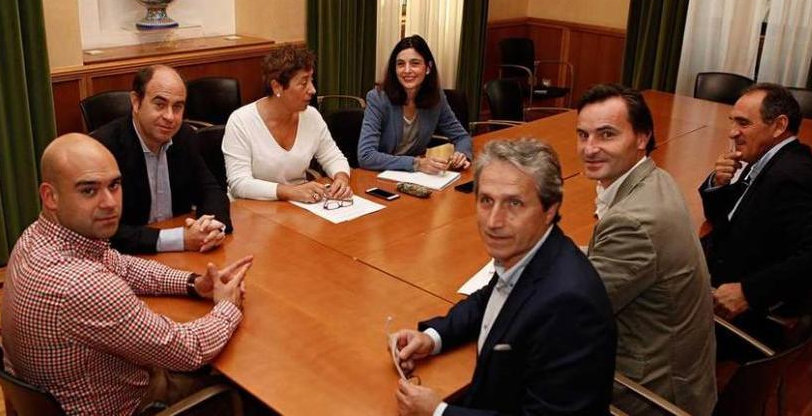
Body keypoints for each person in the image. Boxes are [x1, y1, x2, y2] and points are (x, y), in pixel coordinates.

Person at [0, 133, 253, 416]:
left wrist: (192, 283)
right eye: (88, 190)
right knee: (250, 387)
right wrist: (228, 308)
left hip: (67, 394)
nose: (109, 202)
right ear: (51, 197)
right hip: (128, 405)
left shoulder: (35, 237)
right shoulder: (85, 285)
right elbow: (188, 350)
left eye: (114, 185)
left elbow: (122, 265)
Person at [392, 138, 616, 416]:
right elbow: (490, 297)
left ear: (550, 209)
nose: (493, 222)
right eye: (486, 200)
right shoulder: (534, 253)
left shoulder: (570, 305)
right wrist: (433, 338)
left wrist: (439, 413)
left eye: (514, 203)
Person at [576, 84, 716, 415]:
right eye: (583, 135)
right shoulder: (656, 178)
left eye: (606, 135)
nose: (589, 148)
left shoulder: (633, 222)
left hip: (649, 394)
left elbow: (574, 313)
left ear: (642, 138)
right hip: (681, 369)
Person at [699, 84, 812, 337]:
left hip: (743, 314)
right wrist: (719, 184)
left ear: (779, 126)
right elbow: (723, 217)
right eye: (732, 122)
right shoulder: (769, 159)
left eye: (743, 123)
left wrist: (749, 292)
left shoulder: (791, 175)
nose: (732, 133)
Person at [92, 65, 230, 255]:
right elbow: (104, 232)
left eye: (177, 107)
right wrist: (179, 239)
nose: (169, 117)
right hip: (128, 259)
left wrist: (212, 227)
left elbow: (211, 192)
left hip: (181, 255)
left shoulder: (185, 137)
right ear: (135, 102)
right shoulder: (103, 149)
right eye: (159, 104)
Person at [222, 44, 352, 202]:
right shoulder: (241, 121)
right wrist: (290, 191)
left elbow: (332, 156)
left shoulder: (311, 116)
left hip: (298, 205)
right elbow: (239, 183)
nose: (312, 90)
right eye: (303, 83)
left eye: (311, 80)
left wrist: (341, 178)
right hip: (252, 209)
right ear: (277, 87)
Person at [358, 35, 472, 174]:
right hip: (381, 174)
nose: (407, 70)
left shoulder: (436, 97)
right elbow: (366, 156)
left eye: (415, 63)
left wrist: (461, 154)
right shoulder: (378, 98)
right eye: (400, 64)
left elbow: (462, 136)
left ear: (428, 68)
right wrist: (416, 163)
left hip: (415, 177)